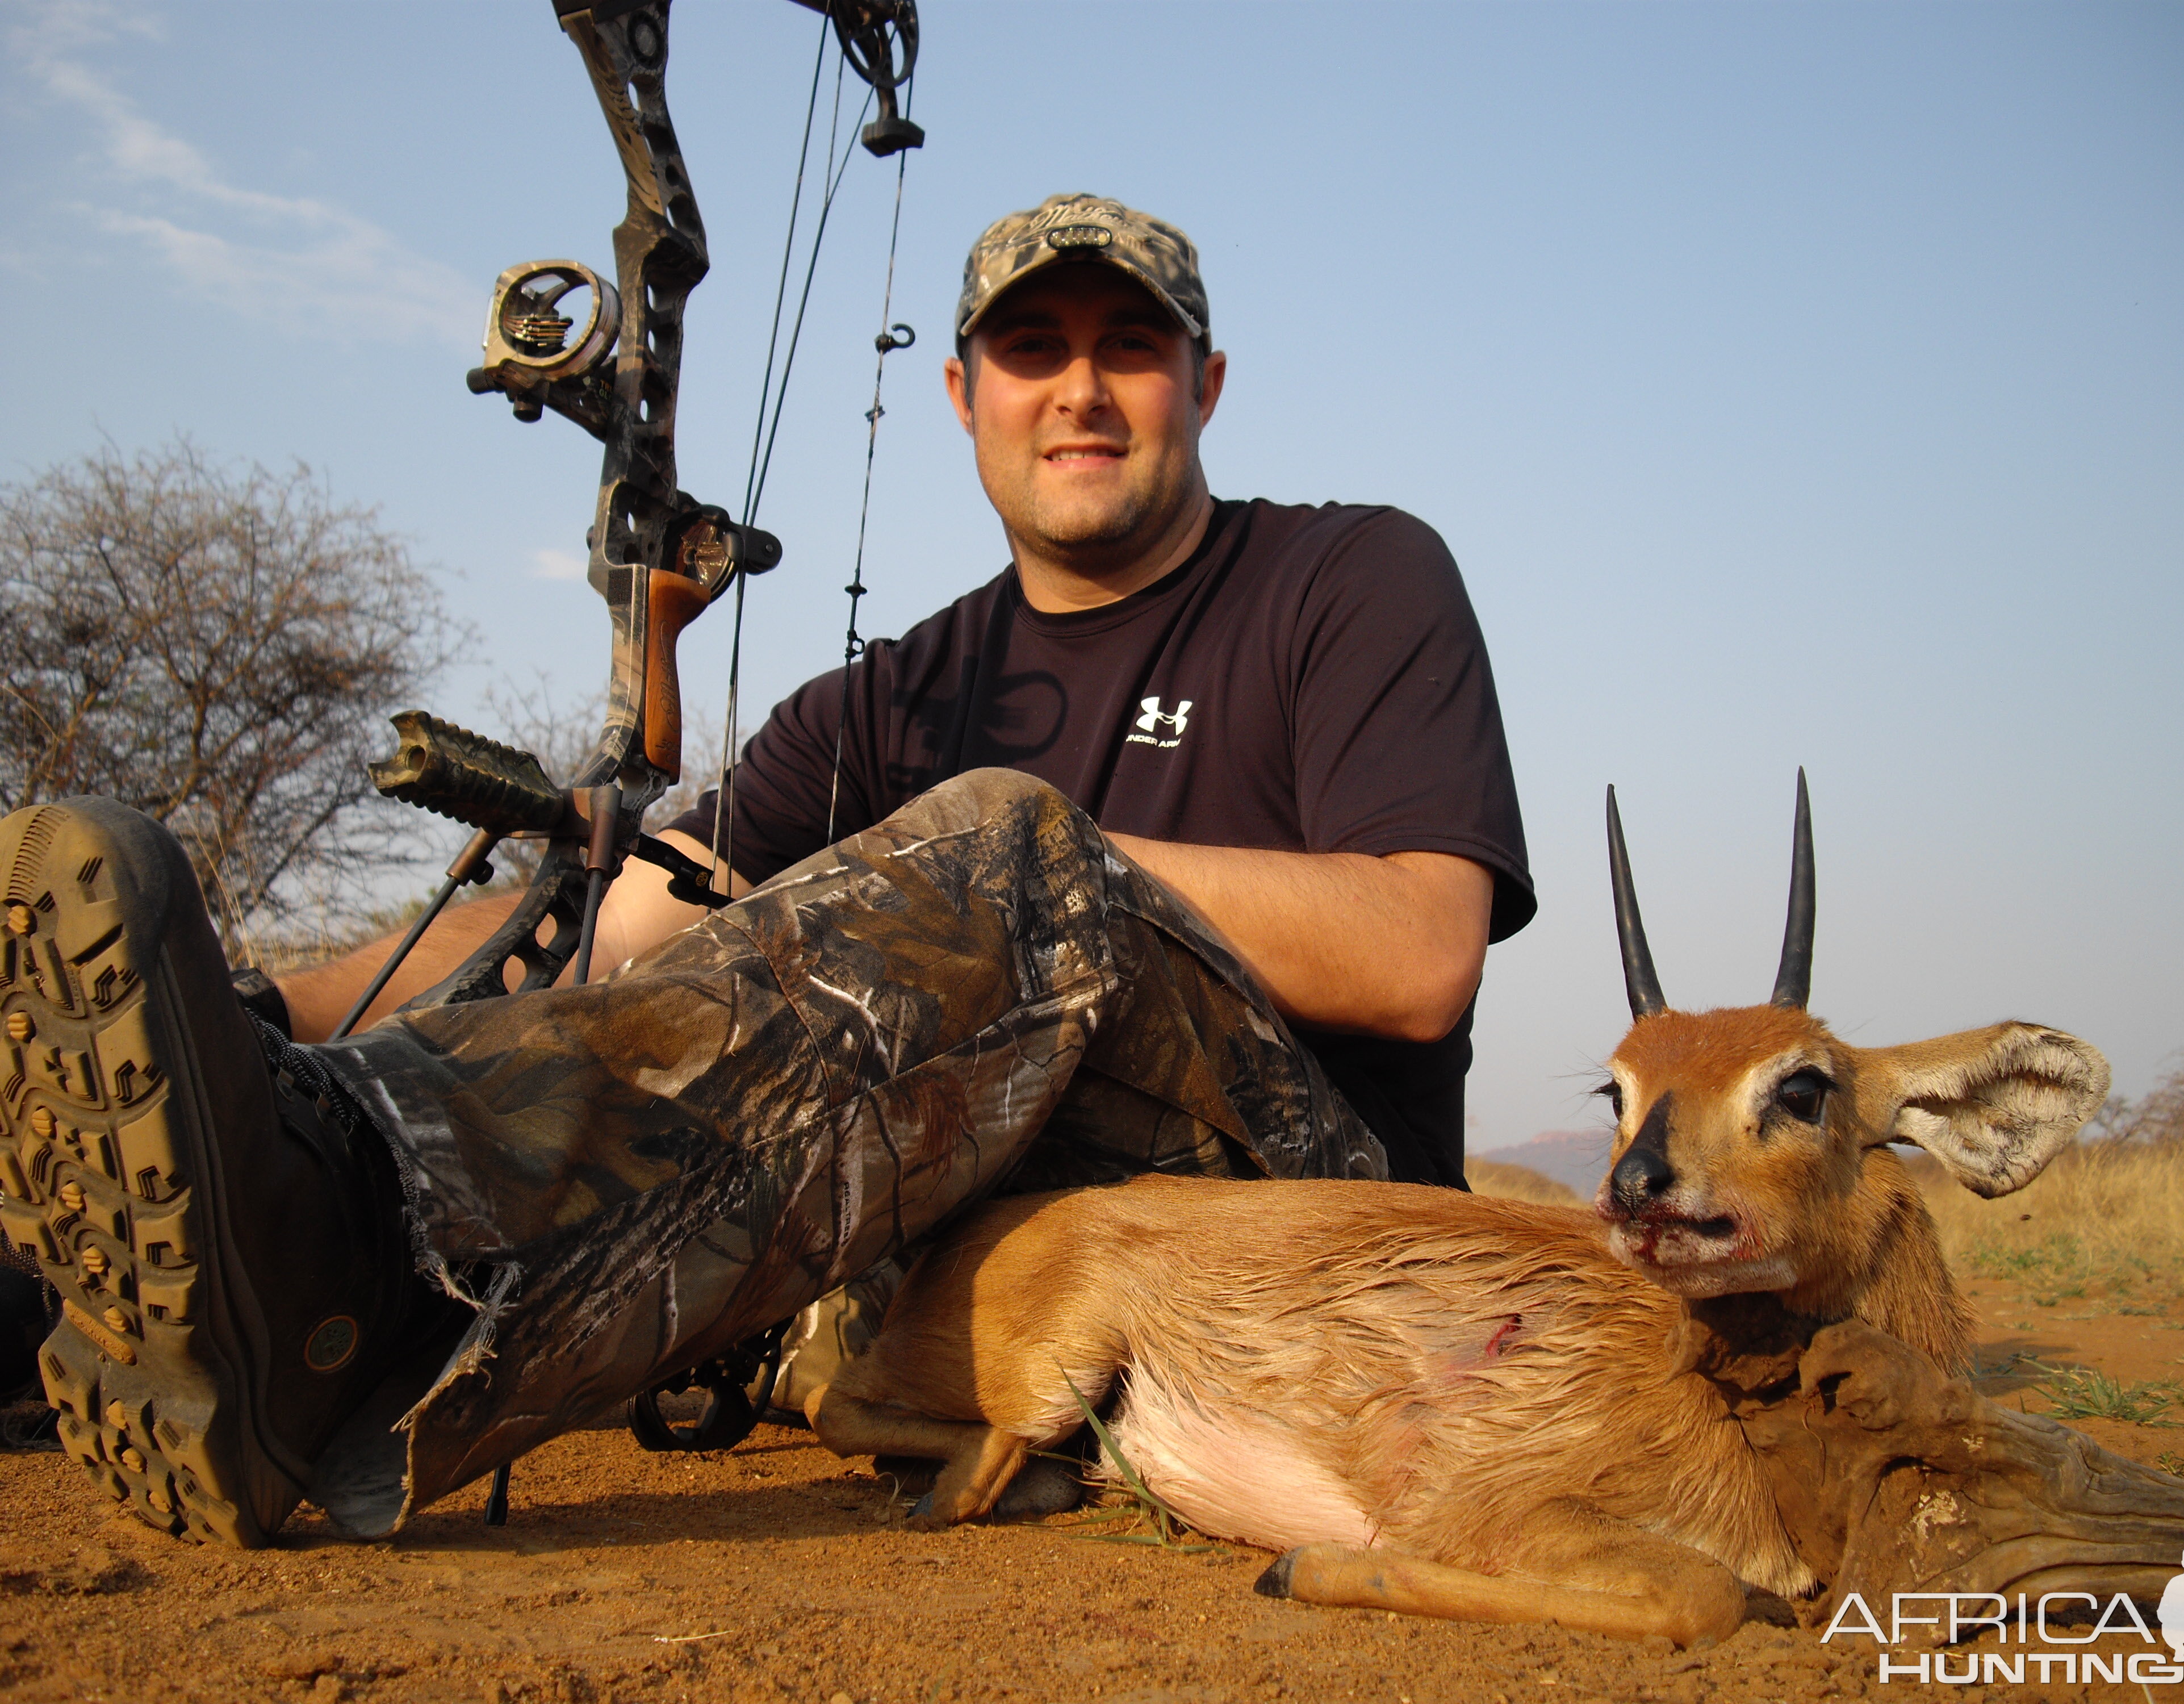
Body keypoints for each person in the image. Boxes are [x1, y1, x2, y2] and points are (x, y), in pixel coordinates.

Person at [0, 194, 1529, 1545]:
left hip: (1323, 1268)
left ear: (1205, 382)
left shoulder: (1353, 578)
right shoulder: (891, 695)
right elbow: (622, 924)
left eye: (1131, 346)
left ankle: (336, 1271)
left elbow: (1417, 954)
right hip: (970, 1284)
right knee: (737, 927)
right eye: (1030, 348)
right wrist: (239, 1010)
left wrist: (1029, 868)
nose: (1079, 386)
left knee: (1010, 852)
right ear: (962, 391)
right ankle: (197, 1229)